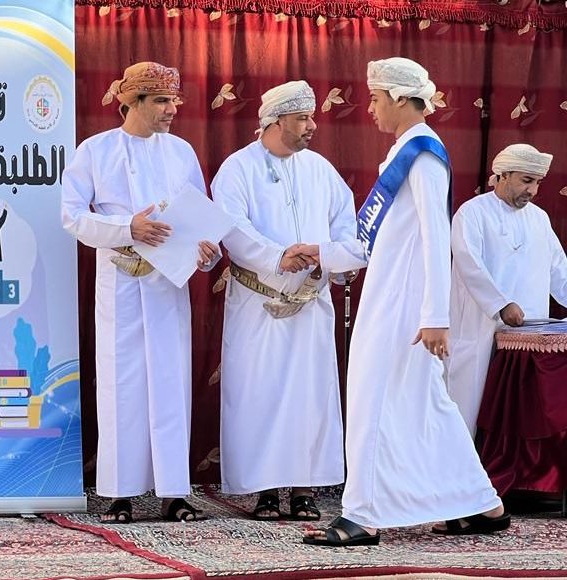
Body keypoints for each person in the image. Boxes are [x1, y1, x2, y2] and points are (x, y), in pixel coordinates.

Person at [304, 57, 509, 547]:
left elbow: (438, 236)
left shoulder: (423, 155)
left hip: (406, 306)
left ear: (399, 98)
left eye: (376, 99)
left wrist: (435, 315)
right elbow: (372, 242)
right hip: (394, 297)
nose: (370, 108)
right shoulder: (405, 152)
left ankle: (362, 515)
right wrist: (318, 253)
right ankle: (481, 504)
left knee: (373, 399)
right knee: (426, 404)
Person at [61, 61, 220, 523]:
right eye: (161, 101)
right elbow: (72, 216)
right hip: (122, 281)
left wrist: (206, 252)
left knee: (171, 382)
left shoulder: (181, 152)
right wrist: (127, 227)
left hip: (168, 284)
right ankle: (119, 494)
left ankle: (174, 493)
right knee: (121, 384)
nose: (171, 110)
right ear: (132, 102)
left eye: (174, 101)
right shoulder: (96, 150)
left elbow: (199, 219)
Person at [211, 81, 366, 521]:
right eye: (302, 118)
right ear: (275, 121)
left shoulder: (320, 169)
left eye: (311, 117)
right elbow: (232, 227)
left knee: (309, 396)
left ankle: (304, 489)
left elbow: (345, 224)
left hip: (311, 304)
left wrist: (334, 257)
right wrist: (278, 256)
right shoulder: (238, 169)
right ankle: (263, 490)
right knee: (258, 392)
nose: (312, 126)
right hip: (258, 304)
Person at [447, 144, 567, 434]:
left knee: (519, 413)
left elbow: (559, 270)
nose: (533, 191)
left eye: (537, 182)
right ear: (503, 175)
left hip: (528, 340)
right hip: (481, 328)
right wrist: (500, 304)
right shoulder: (472, 213)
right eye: (526, 181)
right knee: (468, 409)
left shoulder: (539, 218)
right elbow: (469, 264)